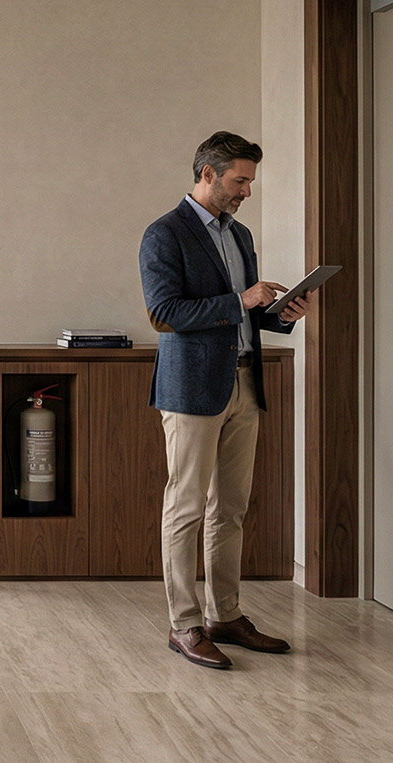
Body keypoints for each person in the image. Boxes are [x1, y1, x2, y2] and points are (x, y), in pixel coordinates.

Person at [138, 131, 312, 670]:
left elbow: (243, 314)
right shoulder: (164, 234)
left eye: (250, 181)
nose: (247, 191)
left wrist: (276, 313)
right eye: (240, 180)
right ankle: (184, 625)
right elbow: (165, 312)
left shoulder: (240, 235)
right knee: (186, 506)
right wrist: (241, 299)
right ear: (208, 174)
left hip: (244, 383)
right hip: (192, 390)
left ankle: (225, 615)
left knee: (230, 509)